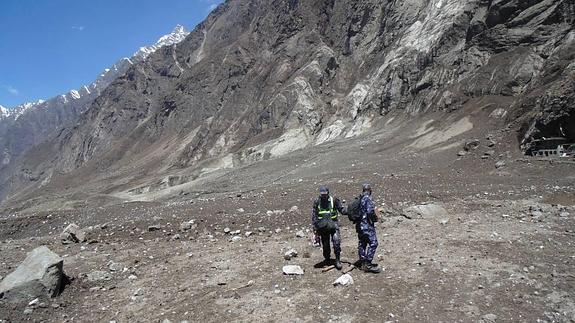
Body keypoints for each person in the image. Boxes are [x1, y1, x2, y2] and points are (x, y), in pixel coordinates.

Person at [311, 186, 345, 270]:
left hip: (333, 225)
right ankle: (327, 259)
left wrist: (352, 211)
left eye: (325, 194)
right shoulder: (317, 202)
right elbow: (314, 215)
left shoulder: (334, 200)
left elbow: (342, 210)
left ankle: (337, 260)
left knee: (336, 242)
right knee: (325, 245)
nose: (324, 196)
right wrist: (315, 227)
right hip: (323, 226)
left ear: (328, 193)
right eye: (322, 194)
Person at [356, 183, 381, 273]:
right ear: (370, 190)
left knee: (362, 243)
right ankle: (368, 264)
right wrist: (375, 219)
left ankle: (362, 262)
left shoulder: (359, 199)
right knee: (374, 243)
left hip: (359, 226)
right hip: (367, 225)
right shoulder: (368, 199)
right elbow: (370, 211)